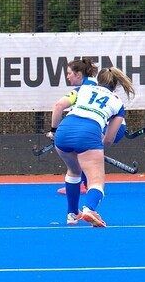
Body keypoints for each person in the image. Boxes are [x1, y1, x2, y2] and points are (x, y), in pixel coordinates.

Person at [50, 67, 134, 227]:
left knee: (74, 171)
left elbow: (58, 105)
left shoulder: (83, 89)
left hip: (64, 130)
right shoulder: (117, 103)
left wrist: (54, 130)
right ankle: (89, 208)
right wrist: (95, 146)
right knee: (96, 180)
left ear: (98, 80)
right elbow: (109, 139)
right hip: (89, 132)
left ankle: (72, 215)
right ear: (115, 85)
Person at [52, 59, 128, 195]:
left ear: (78, 74)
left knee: (85, 149)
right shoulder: (90, 85)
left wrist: (54, 130)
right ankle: (86, 184)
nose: (67, 77)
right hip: (100, 125)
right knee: (84, 148)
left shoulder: (87, 87)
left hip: (110, 126)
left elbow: (59, 105)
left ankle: (87, 185)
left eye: (69, 73)